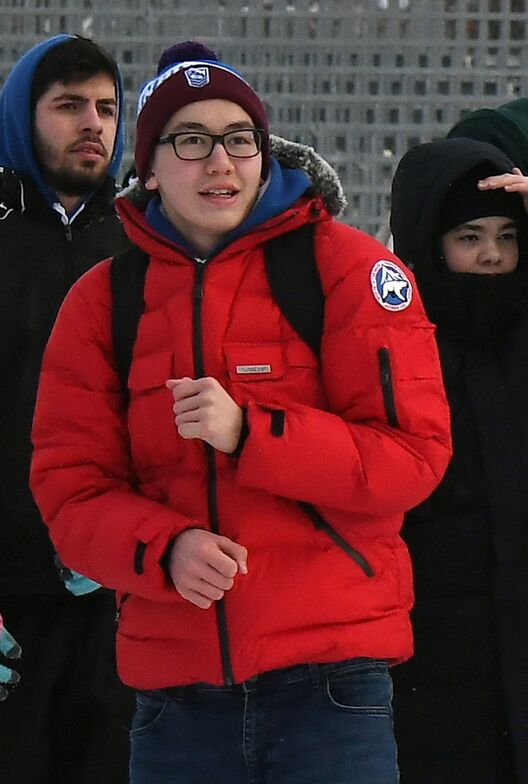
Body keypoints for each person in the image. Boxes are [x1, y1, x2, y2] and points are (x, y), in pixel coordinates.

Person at [28, 41, 452, 784]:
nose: (219, 162)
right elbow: (68, 490)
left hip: (332, 686)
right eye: (190, 141)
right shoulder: (102, 302)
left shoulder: (348, 269)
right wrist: (163, 551)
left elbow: (413, 457)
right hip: (175, 698)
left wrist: (253, 433)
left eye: (238, 139)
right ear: (150, 166)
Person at [389, 136, 528, 782]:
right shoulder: (395, 341)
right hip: (439, 653)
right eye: (469, 237)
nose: (492, 255)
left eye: (506, 236)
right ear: (431, 245)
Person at [0, 33, 133, 783]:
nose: (93, 123)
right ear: (24, 115)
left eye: (107, 108)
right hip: (9, 592)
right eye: (69, 105)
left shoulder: (145, 247)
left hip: (116, 589)